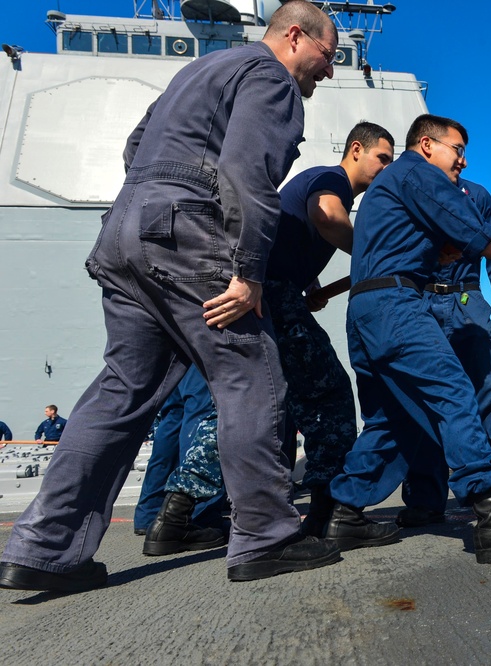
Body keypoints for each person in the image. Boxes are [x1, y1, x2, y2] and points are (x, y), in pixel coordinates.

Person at [0, 0, 342, 593]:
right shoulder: (270, 77)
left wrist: (156, 198)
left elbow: (135, 147)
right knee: (251, 371)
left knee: (122, 390)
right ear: (294, 36)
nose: (328, 70)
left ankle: (43, 546)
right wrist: (248, 271)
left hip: (126, 229)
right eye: (326, 55)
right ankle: (266, 535)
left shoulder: (196, 72)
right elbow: (246, 170)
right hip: (188, 233)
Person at [323, 113, 491, 564]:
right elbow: (477, 236)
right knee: (455, 390)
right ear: (426, 145)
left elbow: (426, 241)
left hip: (364, 309)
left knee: (394, 417)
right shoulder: (418, 173)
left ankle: (344, 512)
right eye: (456, 150)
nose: (461, 161)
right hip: (398, 304)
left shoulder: (393, 185)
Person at [264, 121, 395, 536]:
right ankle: (328, 512)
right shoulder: (330, 179)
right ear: (356, 149)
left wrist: (311, 282)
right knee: (330, 394)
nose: (386, 170)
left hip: (276, 292)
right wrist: (378, 254)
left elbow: (293, 236)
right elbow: (326, 215)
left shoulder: (323, 182)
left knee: (259, 403)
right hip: (273, 294)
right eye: (382, 159)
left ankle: (177, 514)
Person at [397, 176, 491, 528]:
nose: (461, 159)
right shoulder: (416, 189)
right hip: (421, 302)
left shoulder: (478, 196)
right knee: (425, 401)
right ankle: (427, 499)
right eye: (456, 150)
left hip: (468, 300)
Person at [133, 365, 227, 556]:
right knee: (202, 408)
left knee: (173, 415)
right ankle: (200, 513)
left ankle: (150, 512)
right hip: (198, 340)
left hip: (171, 346)